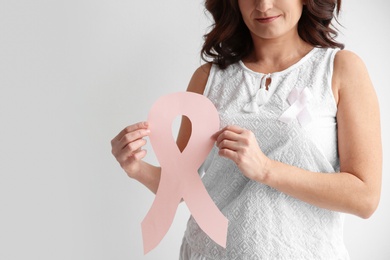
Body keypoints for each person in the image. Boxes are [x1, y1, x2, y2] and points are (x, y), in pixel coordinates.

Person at [111, 0, 382, 259]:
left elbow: (365, 196)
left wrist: (266, 169)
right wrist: (135, 168)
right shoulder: (208, 78)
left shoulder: (339, 69)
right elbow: (180, 187)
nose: (263, 5)